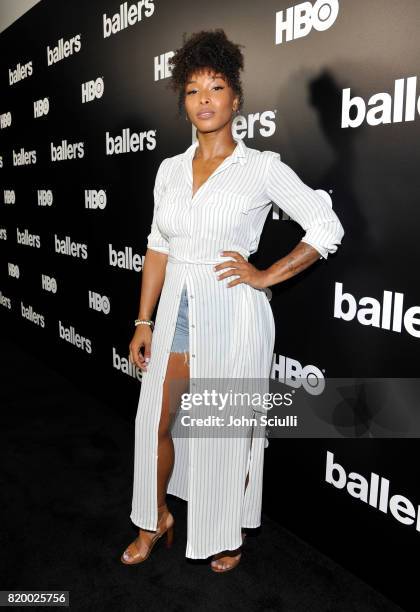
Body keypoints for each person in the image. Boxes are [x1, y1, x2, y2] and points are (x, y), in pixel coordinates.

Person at [121, 29, 344, 572]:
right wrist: (142, 320)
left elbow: (324, 224)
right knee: (156, 422)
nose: (204, 99)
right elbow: (156, 246)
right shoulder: (169, 170)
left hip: (234, 316)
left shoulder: (261, 168)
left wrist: (268, 274)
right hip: (176, 310)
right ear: (183, 100)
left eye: (216, 87)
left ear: (236, 99)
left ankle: (225, 530)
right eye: (193, 89)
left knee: (227, 430)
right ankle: (154, 519)